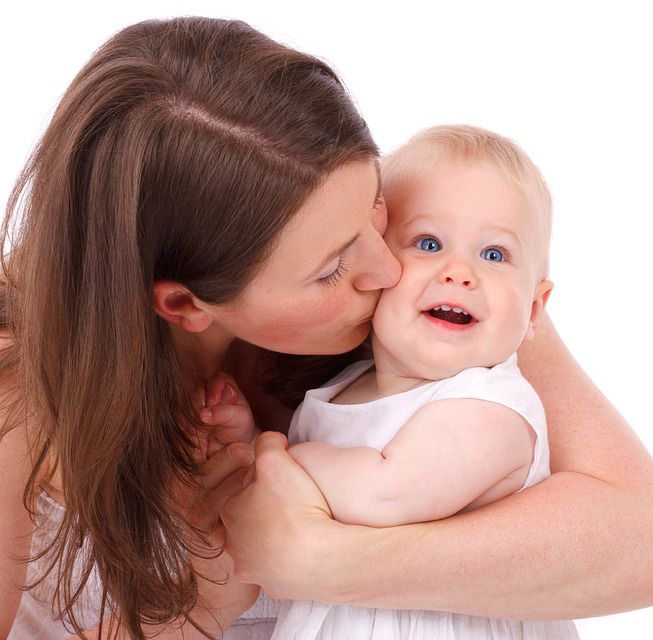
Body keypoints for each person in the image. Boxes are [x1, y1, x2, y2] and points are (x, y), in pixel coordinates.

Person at [0, 15, 653, 640]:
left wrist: (321, 560)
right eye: (332, 268)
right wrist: (196, 611)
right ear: (184, 304)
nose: (387, 268)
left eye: (376, 207)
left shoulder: (438, 278)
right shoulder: (16, 387)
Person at [205, 125, 578, 638]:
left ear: (534, 309)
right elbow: (307, 490)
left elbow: (381, 495)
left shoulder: (489, 408)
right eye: (428, 243)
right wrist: (243, 441)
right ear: (377, 265)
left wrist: (271, 457)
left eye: (494, 255)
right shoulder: (344, 387)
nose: (459, 272)